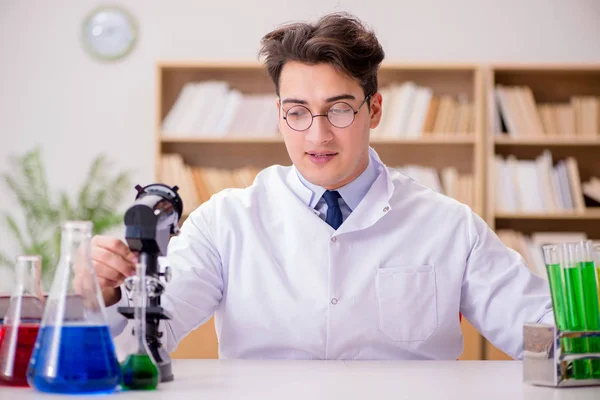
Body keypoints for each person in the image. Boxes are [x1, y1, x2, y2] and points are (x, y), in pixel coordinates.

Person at [92, 12, 553, 360]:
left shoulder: (450, 225)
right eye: (297, 112)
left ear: (373, 110)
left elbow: (542, 333)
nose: (317, 135)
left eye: (339, 109)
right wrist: (106, 292)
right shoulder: (224, 222)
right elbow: (144, 340)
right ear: (279, 116)